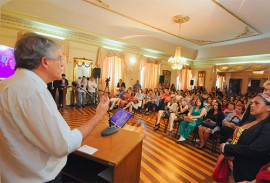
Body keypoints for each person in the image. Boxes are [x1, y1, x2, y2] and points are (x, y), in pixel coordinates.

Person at [0, 33, 109, 183]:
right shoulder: (33, 91)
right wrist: (98, 116)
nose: (63, 64)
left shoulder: (5, 85)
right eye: (59, 59)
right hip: (38, 178)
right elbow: (63, 145)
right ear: (45, 61)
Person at [219, 93, 270, 182]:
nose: (252, 106)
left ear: (268, 108)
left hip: (248, 173)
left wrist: (226, 148)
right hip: (236, 165)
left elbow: (253, 150)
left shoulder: (267, 126)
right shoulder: (253, 120)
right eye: (252, 103)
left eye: (256, 103)